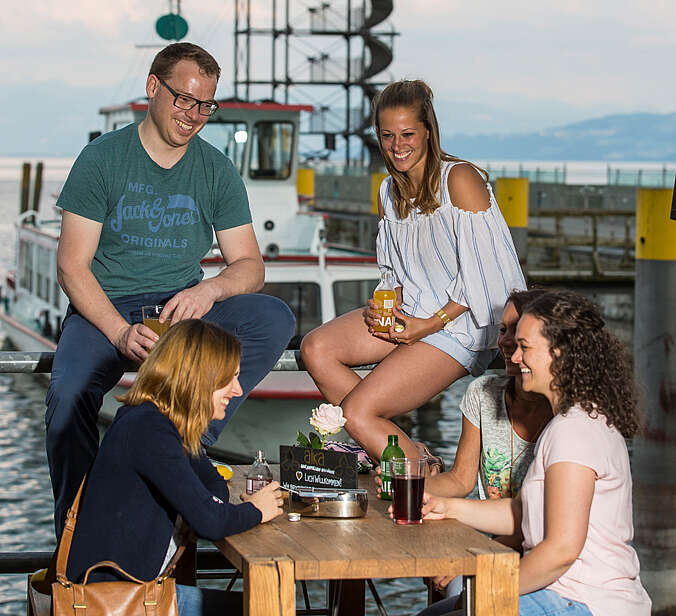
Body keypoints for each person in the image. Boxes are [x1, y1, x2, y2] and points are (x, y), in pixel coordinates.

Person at [46, 42, 295, 537]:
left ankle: (185, 441)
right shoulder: (102, 159)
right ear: (152, 88)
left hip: (182, 309)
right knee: (67, 398)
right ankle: (76, 534)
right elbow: (72, 268)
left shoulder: (216, 169)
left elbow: (250, 265)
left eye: (205, 104)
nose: (194, 115)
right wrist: (119, 332)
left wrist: (212, 290)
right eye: (184, 99)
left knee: (272, 317)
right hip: (106, 306)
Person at [301, 79, 525, 461]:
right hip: (415, 313)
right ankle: (404, 448)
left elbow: (491, 280)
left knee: (356, 413)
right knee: (315, 348)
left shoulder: (460, 180)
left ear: (428, 132)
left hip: (460, 324)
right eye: (387, 135)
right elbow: (394, 273)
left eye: (407, 133)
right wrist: (385, 305)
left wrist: (429, 324)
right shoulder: (388, 193)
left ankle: (416, 476)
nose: (397, 145)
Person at [421, 290, 652, 616]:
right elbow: (522, 511)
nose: (515, 358)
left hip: (586, 601)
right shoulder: (572, 421)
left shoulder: (575, 430)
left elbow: (561, 550)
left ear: (558, 354)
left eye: (525, 348)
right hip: (566, 593)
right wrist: (445, 506)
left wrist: (484, 588)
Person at [65, 319, 284, 615]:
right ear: (200, 378)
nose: (238, 389)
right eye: (229, 378)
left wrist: (207, 509)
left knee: (259, 606)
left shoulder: (156, 420)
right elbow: (211, 521)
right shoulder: (150, 431)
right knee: (265, 608)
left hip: (137, 590)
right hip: (116, 600)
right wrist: (257, 509)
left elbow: (211, 487)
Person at [415, 288, 551, 615]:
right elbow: (462, 480)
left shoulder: (565, 416)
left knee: (454, 592)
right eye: (502, 330)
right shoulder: (483, 393)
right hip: (494, 545)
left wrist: (474, 557)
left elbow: (547, 526)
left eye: (517, 333)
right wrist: (404, 485)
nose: (505, 341)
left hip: (538, 554)